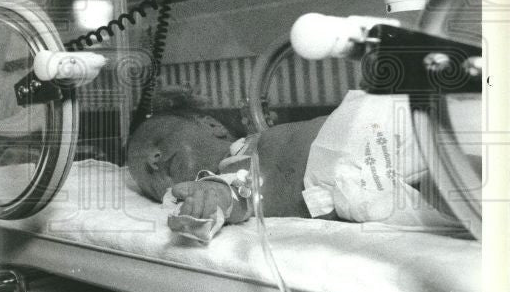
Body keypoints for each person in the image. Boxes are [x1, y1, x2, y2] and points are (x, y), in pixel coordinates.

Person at [127, 90, 464, 239]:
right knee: (455, 188)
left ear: (211, 126)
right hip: (352, 188)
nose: (154, 160)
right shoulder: (223, 178)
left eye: (158, 143)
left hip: (359, 129)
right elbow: (237, 195)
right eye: (145, 173)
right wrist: (209, 203)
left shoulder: (242, 150)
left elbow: (239, 186)